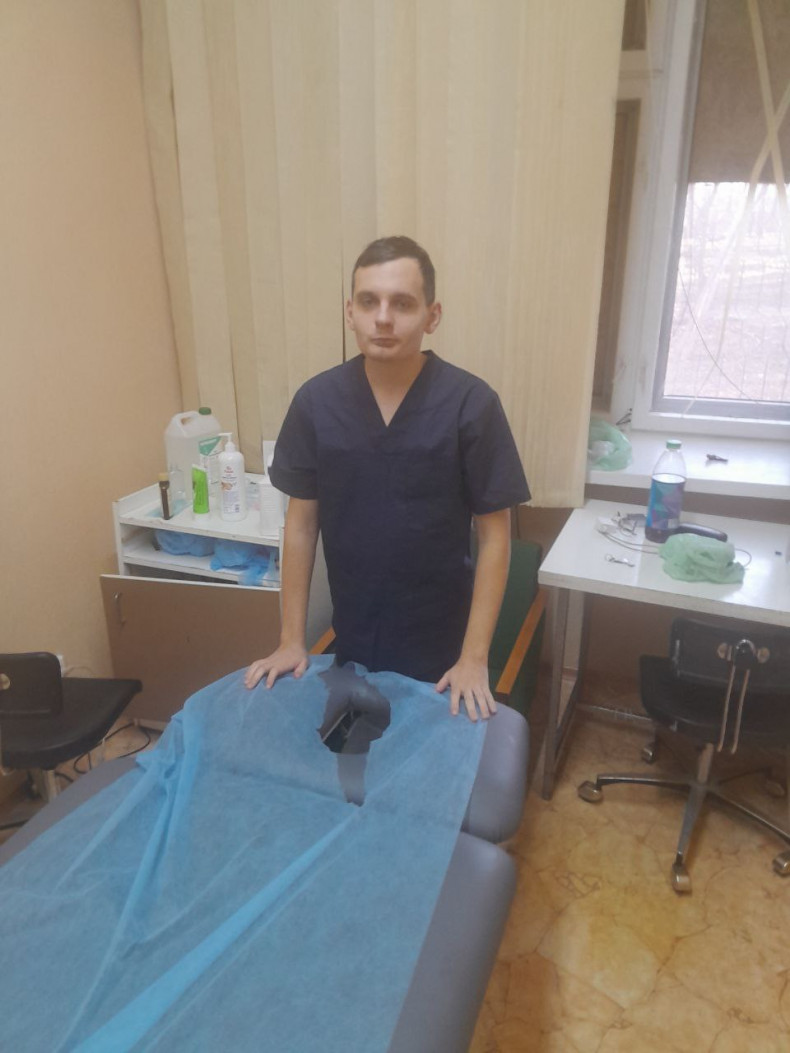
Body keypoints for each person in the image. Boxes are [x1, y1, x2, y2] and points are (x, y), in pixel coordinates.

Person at [244, 236, 530, 720]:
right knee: (353, 757)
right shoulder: (316, 403)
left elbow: (495, 535)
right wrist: (292, 640)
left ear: (432, 316)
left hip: (444, 654)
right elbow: (301, 524)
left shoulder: (471, 405)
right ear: (349, 312)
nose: (382, 317)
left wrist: (474, 659)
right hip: (352, 642)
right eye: (368, 301)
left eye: (402, 303)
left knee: (426, 762)